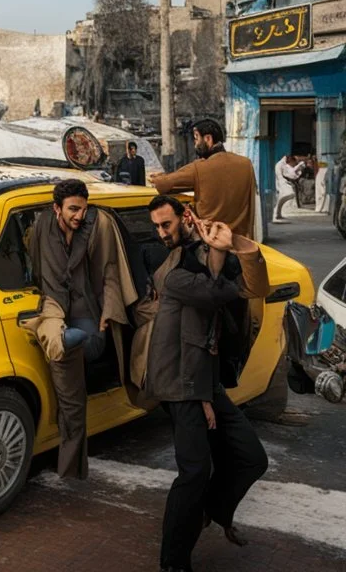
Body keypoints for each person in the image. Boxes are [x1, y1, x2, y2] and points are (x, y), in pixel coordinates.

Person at [138, 196, 269, 572]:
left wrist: (233, 246)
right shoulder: (172, 273)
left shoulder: (201, 250)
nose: (162, 233)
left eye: (168, 224)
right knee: (194, 472)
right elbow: (219, 292)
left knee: (251, 458)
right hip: (178, 382)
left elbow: (242, 284)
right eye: (157, 227)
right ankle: (174, 562)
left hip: (203, 379)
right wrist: (200, 398)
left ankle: (212, 510)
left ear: (186, 218)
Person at [22, 178, 138, 479]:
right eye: (73, 209)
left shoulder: (93, 227)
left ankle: (64, 341)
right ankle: (70, 461)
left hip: (86, 306)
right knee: (67, 363)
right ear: (55, 208)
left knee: (89, 344)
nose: (79, 216)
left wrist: (108, 310)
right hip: (52, 305)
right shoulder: (37, 230)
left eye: (83, 210)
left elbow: (109, 269)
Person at [153, 119, 257, 240]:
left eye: (196, 139)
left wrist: (157, 177)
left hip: (212, 244)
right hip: (242, 243)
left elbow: (163, 185)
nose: (195, 144)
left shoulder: (199, 168)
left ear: (208, 139)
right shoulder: (246, 164)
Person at [273, 152, 306, 223]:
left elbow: (291, 173)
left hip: (285, 183)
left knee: (288, 196)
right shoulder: (280, 164)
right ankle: (276, 212)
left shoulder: (284, 164)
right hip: (282, 183)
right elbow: (287, 174)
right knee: (285, 195)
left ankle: (278, 213)